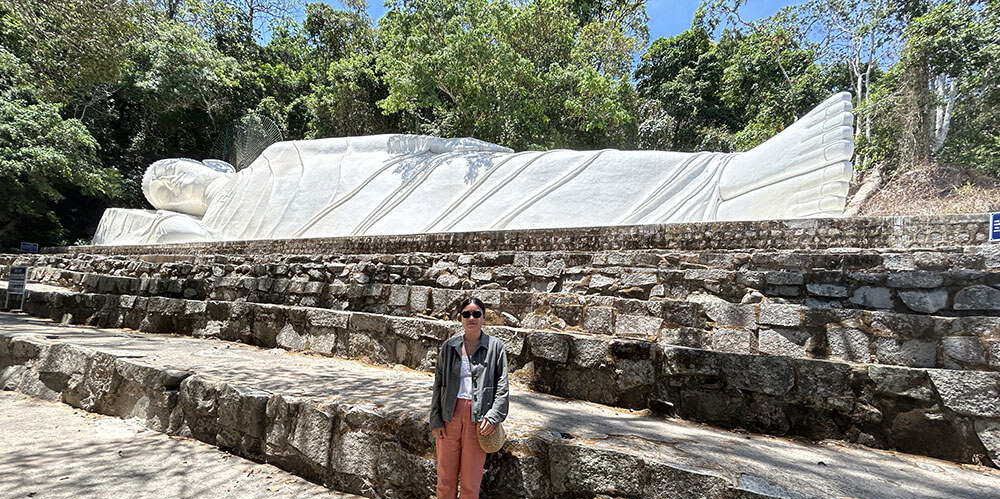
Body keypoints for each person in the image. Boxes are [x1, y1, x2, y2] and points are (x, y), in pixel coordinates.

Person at [92, 93, 855, 246]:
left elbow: (375, 151)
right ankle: (725, 192)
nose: (179, 190)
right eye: (167, 193)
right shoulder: (217, 226)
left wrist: (452, 156)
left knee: (543, 175)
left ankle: (728, 179)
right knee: (533, 202)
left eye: (177, 174)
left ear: (201, 164)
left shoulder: (275, 157)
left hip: (413, 190)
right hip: (363, 228)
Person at [428, 296, 509, 499]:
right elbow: (438, 383)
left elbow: (502, 387)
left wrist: (494, 416)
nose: (471, 318)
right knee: (446, 476)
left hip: (478, 420)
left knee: (471, 480)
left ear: (484, 317)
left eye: (476, 314)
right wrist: (436, 419)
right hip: (450, 415)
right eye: (466, 314)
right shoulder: (450, 346)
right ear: (460, 318)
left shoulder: (495, 347)